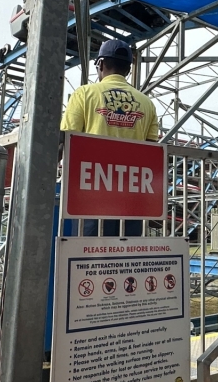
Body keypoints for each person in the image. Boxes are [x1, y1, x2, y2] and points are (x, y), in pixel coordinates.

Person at [61, 39, 159, 236]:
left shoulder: (84, 94)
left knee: (87, 252)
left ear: (101, 64)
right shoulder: (147, 103)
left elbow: (66, 138)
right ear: (128, 70)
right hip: (133, 194)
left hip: (90, 189)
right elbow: (151, 149)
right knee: (126, 255)